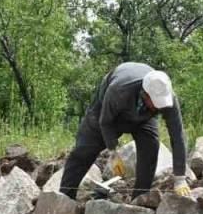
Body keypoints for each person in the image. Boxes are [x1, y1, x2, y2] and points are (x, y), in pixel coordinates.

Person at [59, 62, 190, 200]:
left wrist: (180, 177)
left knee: (151, 146)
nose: (160, 106)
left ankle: (139, 200)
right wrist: (113, 152)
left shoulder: (167, 97)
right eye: (156, 102)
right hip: (106, 111)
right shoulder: (119, 90)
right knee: (85, 150)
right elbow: (105, 122)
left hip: (143, 116)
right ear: (146, 94)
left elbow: (178, 135)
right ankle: (64, 198)